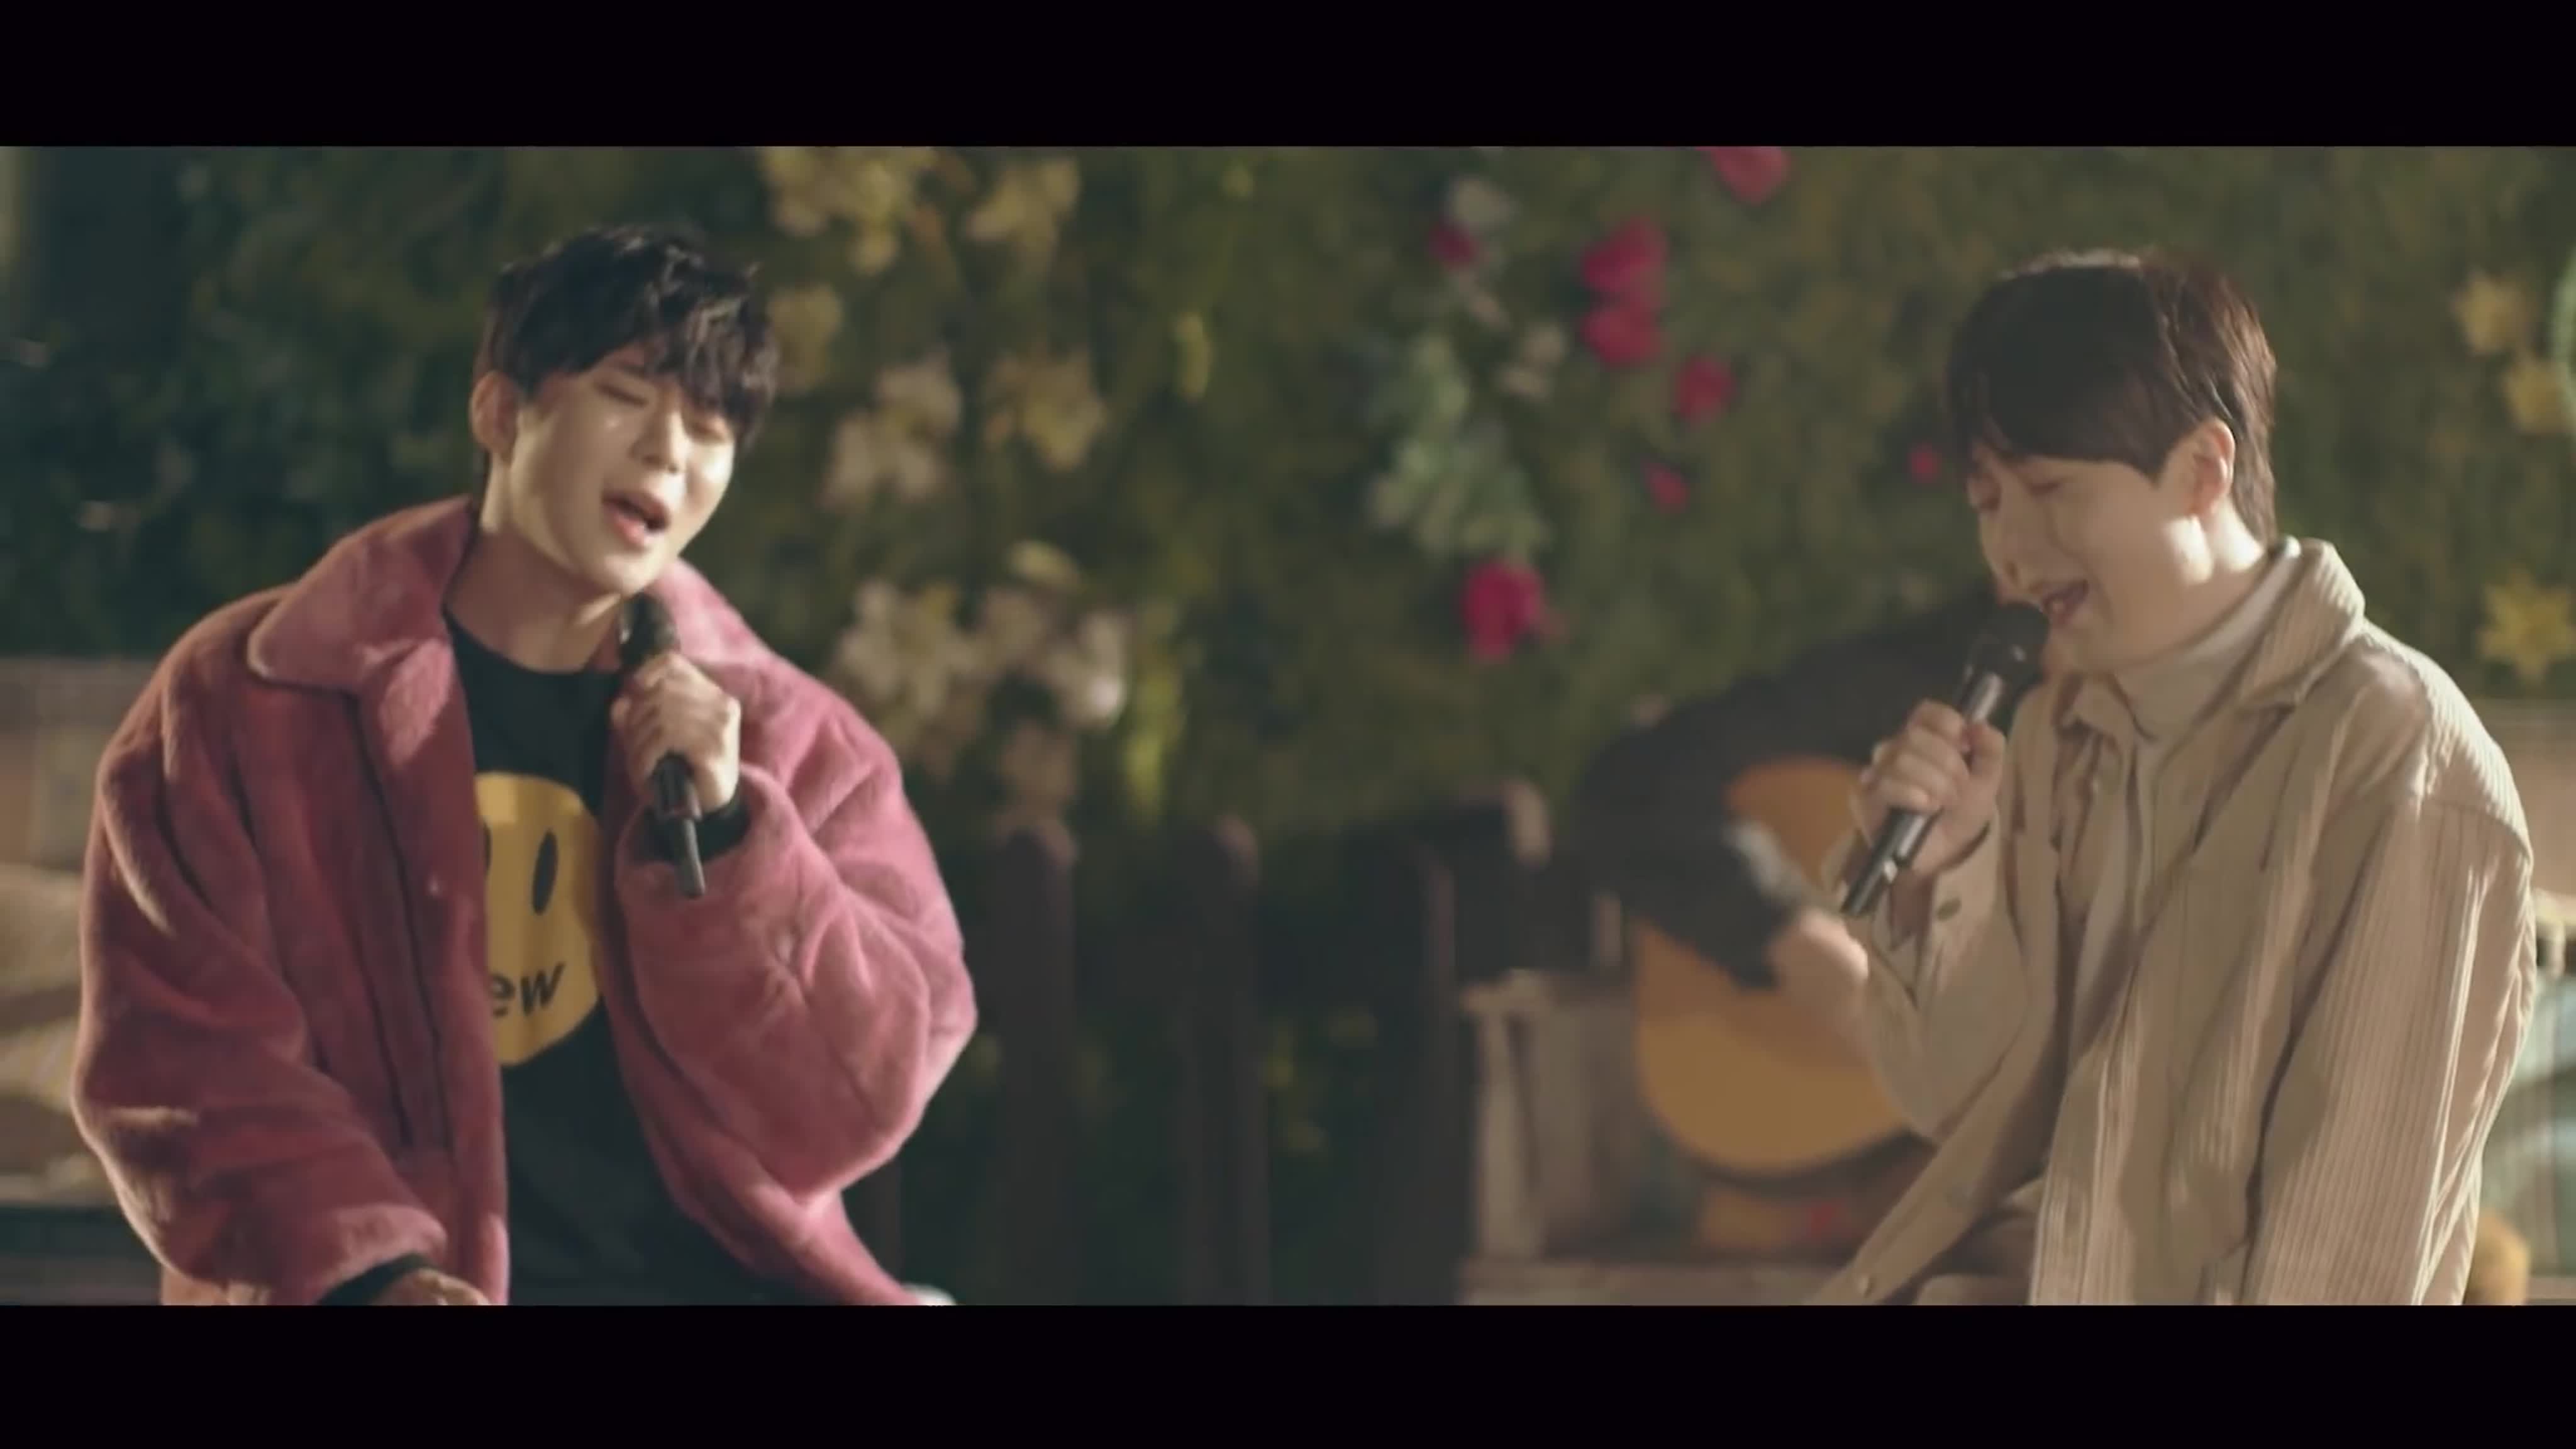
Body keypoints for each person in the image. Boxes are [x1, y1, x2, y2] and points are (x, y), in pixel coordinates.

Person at [70, 224, 976, 1305]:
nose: (670, 453)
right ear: (501, 413)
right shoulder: (253, 698)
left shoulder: (794, 743)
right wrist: (372, 1275)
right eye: (627, 396)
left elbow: (860, 1098)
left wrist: (736, 837)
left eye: (710, 429)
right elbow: (185, 1058)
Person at [1819, 248, 2538, 1304]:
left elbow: (2340, 1244)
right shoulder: (2058, 730)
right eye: (1988, 499)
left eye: (2051, 489)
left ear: (2204, 469)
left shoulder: (2396, 758)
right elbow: (1961, 1115)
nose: (2011, 546)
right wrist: (1945, 877)